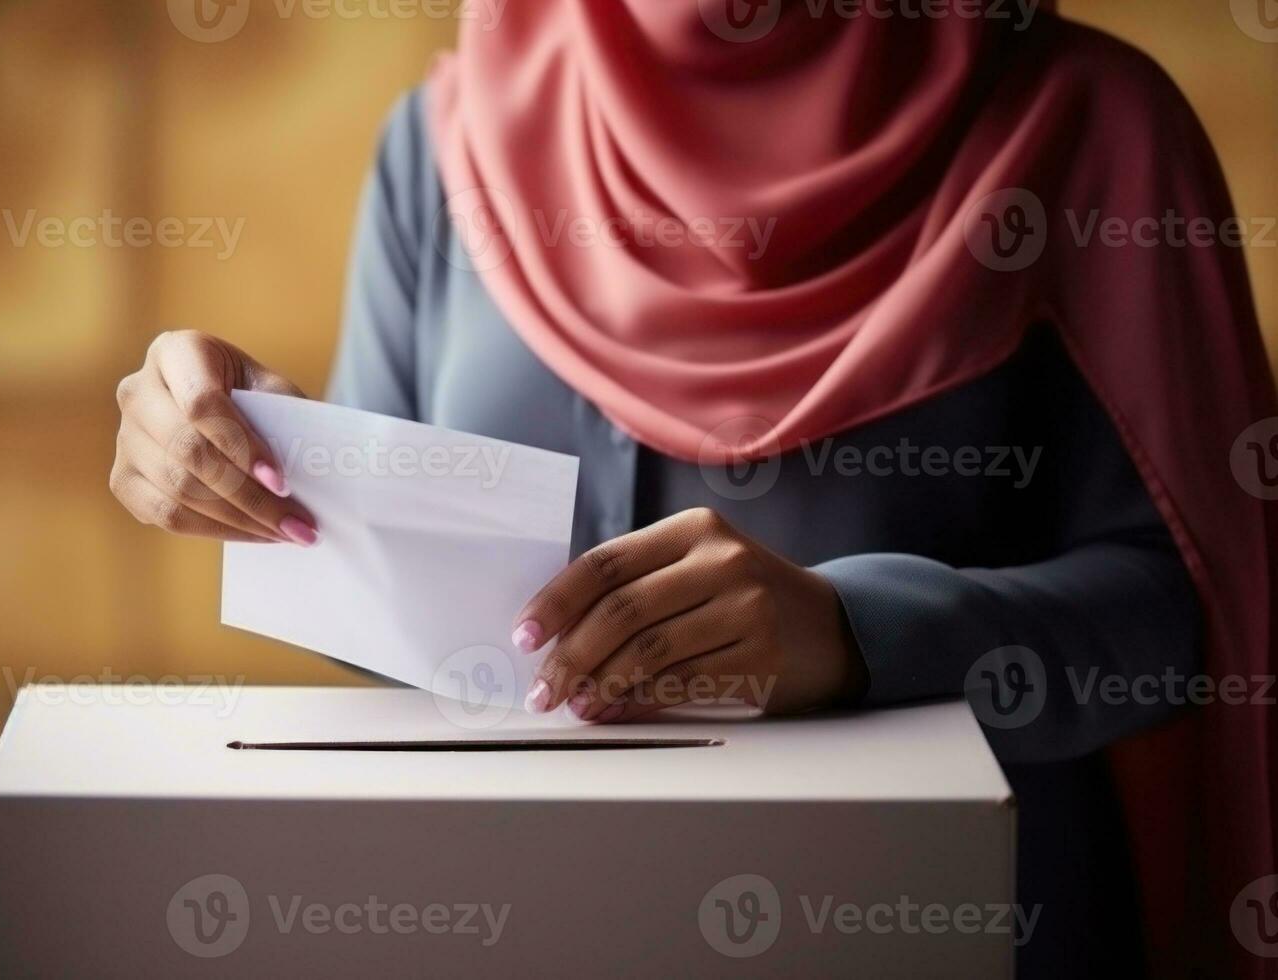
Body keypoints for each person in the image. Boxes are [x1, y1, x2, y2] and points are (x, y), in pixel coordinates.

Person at [109, 3, 1275, 976]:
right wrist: (244, 458)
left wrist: (857, 633)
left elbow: (1196, 604)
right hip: (518, 931)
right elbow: (385, 633)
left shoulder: (1087, 125)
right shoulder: (451, 135)